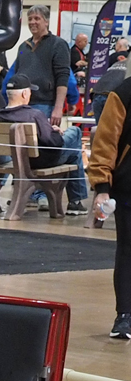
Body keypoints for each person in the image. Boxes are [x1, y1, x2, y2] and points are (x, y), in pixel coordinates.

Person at [0, 74, 88, 212]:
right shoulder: (34, 115)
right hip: (41, 161)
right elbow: (55, 143)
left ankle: (73, 201)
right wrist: (55, 132)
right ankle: (75, 202)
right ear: (25, 94)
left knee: (74, 153)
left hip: (16, 160)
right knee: (75, 133)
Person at [89, 68, 131, 335]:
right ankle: (124, 315)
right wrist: (102, 187)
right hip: (127, 188)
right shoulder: (124, 93)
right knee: (128, 249)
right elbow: (105, 142)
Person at [12, 5, 71, 129]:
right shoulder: (23, 47)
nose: (32, 22)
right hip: (21, 105)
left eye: (37, 18)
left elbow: (63, 77)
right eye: (30, 19)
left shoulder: (58, 45)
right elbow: (17, 74)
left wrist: (58, 108)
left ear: (46, 22)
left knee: (40, 139)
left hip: (45, 105)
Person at [93, 42, 130, 120]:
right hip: (111, 97)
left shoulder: (117, 64)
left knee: (101, 127)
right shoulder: (128, 67)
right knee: (115, 126)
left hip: (96, 93)